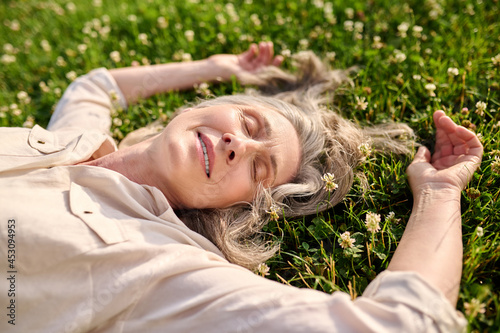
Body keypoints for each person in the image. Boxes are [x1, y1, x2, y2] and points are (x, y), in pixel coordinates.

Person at [0, 42, 481, 332]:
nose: (238, 145)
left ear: (242, 209)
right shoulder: (77, 142)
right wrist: (215, 66)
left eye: (259, 170)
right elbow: (94, 86)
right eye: (248, 122)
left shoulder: (161, 266)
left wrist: (439, 194)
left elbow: (404, 324)